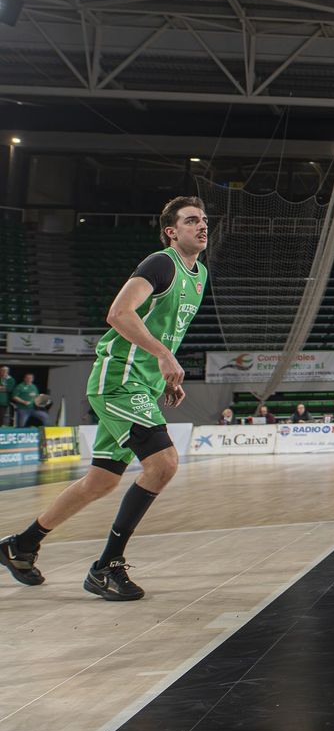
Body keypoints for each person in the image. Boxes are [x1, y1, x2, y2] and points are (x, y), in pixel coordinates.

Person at [1, 196, 207, 600]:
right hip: (118, 380)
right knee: (163, 464)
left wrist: (164, 372)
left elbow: (162, 331)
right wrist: (165, 356)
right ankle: (106, 567)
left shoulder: (199, 274)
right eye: (191, 220)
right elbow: (119, 314)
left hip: (142, 384)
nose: (202, 226)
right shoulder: (160, 263)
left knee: (100, 481)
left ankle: (21, 545)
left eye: (203, 220)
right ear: (171, 231)